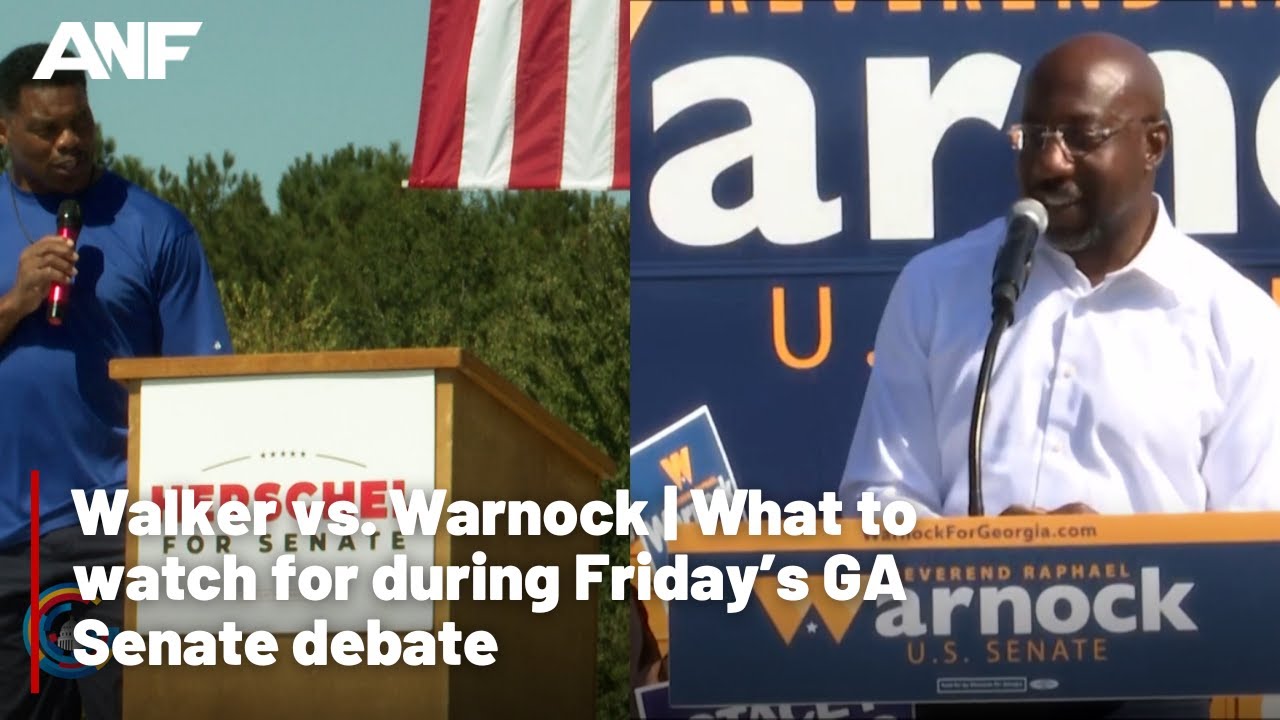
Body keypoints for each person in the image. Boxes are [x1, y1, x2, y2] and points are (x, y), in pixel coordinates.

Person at [838, 32, 1280, 720]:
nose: (1048, 161)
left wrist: (1109, 574)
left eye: (1081, 136)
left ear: (1153, 144)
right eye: (1033, 134)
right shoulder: (937, 287)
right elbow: (876, 500)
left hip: (1152, 695)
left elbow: (1256, 550)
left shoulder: (1237, 320)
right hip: (961, 680)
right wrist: (977, 560)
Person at [0, 43, 232, 720]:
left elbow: (205, 391)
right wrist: (16, 302)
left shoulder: (156, 230)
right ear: (5, 129)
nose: (70, 140)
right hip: (9, 545)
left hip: (120, 541)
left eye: (82, 122)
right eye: (47, 129)